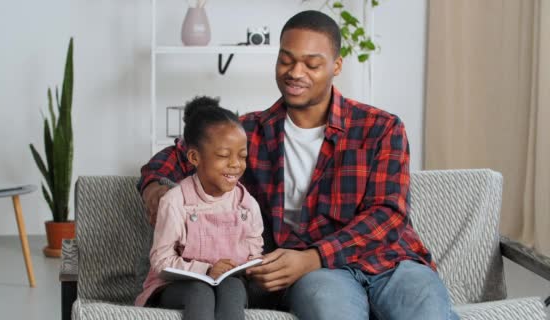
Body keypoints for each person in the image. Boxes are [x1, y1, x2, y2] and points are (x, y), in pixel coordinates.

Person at [139, 10, 458, 320]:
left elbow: (388, 214)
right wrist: (156, 185)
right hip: (322, 277)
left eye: (311, 64)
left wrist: (314, 257)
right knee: (329, 310)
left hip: (391, 262)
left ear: (336, 66)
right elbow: (179, 156)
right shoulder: (251, 132)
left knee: (427, 311)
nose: (295, 72)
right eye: (286, 60)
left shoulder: (382, 128)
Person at [134, 96, 265, 320]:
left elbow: (255, 251)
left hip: (229, 282)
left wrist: (250, 266)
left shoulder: (247, 203)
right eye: (224, 156)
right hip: (178, 286)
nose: (235, 164)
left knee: (233, 288)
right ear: (194, 157)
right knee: (200, 292)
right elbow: (161, 260)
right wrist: (206, 271)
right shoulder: (175, 201)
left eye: (242, 156)